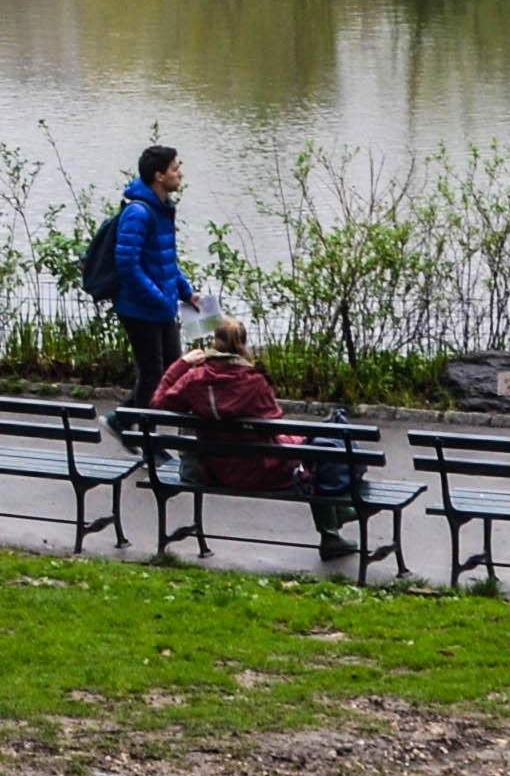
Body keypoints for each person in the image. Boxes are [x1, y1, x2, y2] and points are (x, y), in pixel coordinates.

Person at [150, 312, 367, 558]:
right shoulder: (254, 381)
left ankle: (338, 523)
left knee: (311, 451)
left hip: (215, 470)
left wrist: (183, 363)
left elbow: (159, 402)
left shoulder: (195, 378)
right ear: (243, 345)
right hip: (264, 471)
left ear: (214, 342)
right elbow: (273, 422)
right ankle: (336, 527)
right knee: (315, 455)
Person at [109, 143, 198, 406]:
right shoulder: (138, 213)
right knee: (153, 376)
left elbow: (165, 260)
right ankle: (147, 441)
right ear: (159, 176)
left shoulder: (162, 208)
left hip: (161, 306)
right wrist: (158, 297)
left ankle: (125, 423)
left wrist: (186, 292)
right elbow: (127, 264)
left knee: (175, 371)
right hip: (140, 309)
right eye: (175, 168)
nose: (180, 173)